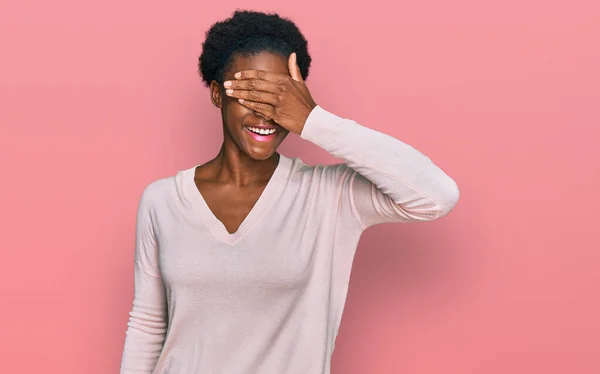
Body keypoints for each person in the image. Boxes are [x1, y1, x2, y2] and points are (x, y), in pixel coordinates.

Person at [120, 9, 460, 374]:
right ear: (218, 95)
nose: (265, 114)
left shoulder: (330, 196)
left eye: (279, 99)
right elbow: (148, 324)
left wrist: (313, 120)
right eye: (251, 94)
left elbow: (437, 195)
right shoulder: (161, 201)